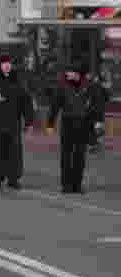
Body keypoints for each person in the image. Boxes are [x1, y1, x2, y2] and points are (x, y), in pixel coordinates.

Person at [48, 61, 102, 194]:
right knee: (66, 155)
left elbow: (97, 104)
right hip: (67, 122)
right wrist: (50, 123)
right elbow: (55, 105)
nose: (67, 74)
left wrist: (98, 121)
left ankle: (77, 185)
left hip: (83, 123)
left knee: (79, 155)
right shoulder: (62, 86)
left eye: (70, 72)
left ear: (77, 74)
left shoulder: (89, 86)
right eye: (67, 72)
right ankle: (66, 185)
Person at [0, 54, 34, 189]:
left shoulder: (18, 81)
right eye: (4, 63)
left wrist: (29, 122)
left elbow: (26, 102)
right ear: (0, 65)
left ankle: (13, 178)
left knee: (14, 152)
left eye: (9, 63)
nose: (6, 65)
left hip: (13, 123)